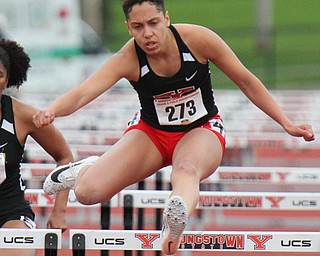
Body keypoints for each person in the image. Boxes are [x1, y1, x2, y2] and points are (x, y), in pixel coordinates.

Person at [33, 0, 315, 254]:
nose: (148, 34)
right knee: (87, 193)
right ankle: (86, 169)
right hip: (152, 134)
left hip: (201, 130)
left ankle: (174, 220)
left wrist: (285, 122)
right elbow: (84, 93)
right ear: (128, 28)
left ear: (166, 18)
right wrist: (51, 111)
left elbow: (246, 80)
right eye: (138, 27)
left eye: (154, 24)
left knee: (187, 170)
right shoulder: (128, 58)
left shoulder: (198, 40)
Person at [0, 38, 74, 256]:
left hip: (10, 212)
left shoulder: (22, 115)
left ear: (7, 81)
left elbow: (65, 156)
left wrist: (59, 211)